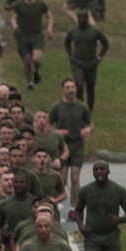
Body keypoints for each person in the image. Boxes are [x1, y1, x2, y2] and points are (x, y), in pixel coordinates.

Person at [49, 78, 93, 212]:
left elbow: (90, 123)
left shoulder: (82, 106)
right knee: (62, 178)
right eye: (68, 87)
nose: (71, 90)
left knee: (75, 178)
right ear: (63, 89)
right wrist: (58, 132)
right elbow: (49, 125)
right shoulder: (57, 107)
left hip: (77, 145)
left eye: (73, 87)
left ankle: (74, 207)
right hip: (62, 145)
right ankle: (57, 202)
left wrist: (88, 129)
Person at [10, 0, 53, 88]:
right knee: (28, 61)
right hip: (22, 36)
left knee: (36, 59)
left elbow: (49, 16)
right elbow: (13, 17)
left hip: (37, 35)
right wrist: (14, 25)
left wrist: (49, 29)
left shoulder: (41, 4)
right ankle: (29, 82)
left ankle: (36, 71)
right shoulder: (18, 4)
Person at [64, 8, 109, 112]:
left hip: (91, 63)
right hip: (78, 63)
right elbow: (67, 42)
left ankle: (89, 111)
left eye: (84, 17)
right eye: (79, 17)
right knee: (79, 87)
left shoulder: (95, 31)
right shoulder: (73, 30)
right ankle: (81, 109)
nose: (81, 20)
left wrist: (98, 58)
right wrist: (70, 55)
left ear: (88, 18)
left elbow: (105, 45)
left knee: (90, 89)